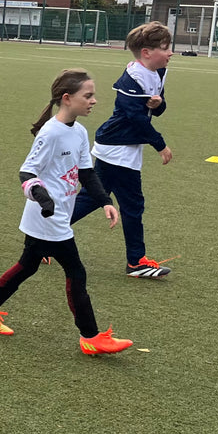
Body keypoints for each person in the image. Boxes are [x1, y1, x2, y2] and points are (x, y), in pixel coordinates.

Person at [0, 69, 135, 357]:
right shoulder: (50, 133)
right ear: (67, 98)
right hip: (47, 218)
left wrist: (104, 201)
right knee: (76, 272)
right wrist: (43, 198)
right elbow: (27, 172)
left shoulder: (79, 132)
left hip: (56, 216)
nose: (94, 100)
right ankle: (90, 337)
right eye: (88, 95)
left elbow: (86, 172)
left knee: (27, 266)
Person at [70, 22, 175, 278]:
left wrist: (158, 104)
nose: (170, 52)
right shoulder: (132, 79)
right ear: (147, 52)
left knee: (94, 197)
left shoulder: (158, 71)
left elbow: (155, 109)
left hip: (123, 146)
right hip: (117, 148)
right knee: (132, 204)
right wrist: (160, 145)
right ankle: (136, 262)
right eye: (165, 48)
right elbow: (136, 119)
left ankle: (43, 235)